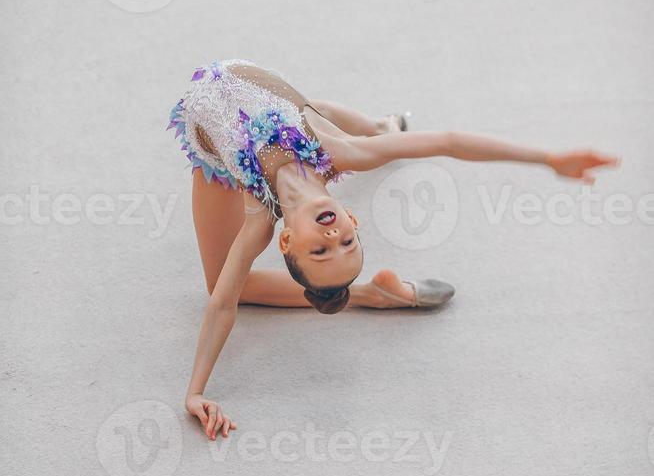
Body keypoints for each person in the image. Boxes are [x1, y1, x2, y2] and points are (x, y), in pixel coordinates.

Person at [168, 59, 618, 440]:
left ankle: (365, 286)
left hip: (211, 144)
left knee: (222, 281)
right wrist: (548, 158)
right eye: (346, 242)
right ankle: (368, 276)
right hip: (270, 99)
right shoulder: (342, 151)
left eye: (321, 253)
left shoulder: (259, 223)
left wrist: (195, 392)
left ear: (286, 241)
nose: (332, 238)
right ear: (353, 220)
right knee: (323, 115)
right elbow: (448, 142)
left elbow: (222, 304)